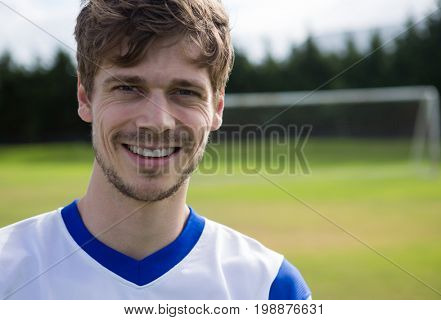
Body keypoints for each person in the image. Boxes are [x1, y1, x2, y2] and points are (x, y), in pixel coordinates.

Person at [0, 0, 311, 299]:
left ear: (217, 108)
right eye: (128, 88)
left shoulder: (270, 290)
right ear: (85, 97)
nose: (157, 122)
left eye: (185, 92)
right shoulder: (8, 272)